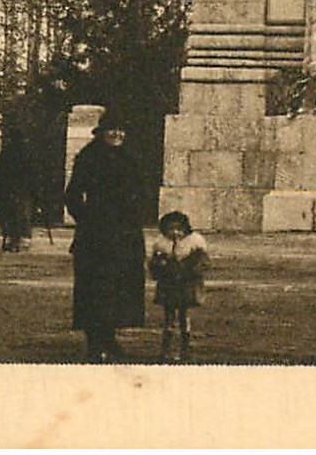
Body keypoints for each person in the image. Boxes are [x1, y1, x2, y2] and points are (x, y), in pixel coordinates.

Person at [64, 116, 149, 362]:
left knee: (120, 289)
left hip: (125, 234)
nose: (117, 134)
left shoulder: (131, 159)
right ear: (101, 132)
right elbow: (72, 195)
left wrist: (135, 215)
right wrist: (87, 219)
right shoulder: (88, 157)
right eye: (112, 129)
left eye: (120, 129)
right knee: (95, 288)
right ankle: (95, 341)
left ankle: (110, 340)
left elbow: (143, 191)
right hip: (96, 235)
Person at [147, 210, 208, 362]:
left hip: (185, 286)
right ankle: (166, 349)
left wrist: (188, 269)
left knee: (184, 316)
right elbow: (154, 265)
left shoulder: (194, 244)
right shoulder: (161, 244)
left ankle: (185, 348)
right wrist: (161, 265)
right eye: (171, 229)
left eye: (179, 229)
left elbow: (201, 264)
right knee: (168, 318)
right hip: (169, 286)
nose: (175, 233)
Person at [0, 127, 36, 252]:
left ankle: (10, 238)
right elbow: (33, 173)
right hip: (20, 190)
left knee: (9, 214)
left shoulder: (7, 153)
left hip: (8, 190)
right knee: (21, 214)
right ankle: (20, 239)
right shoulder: (27, 153)